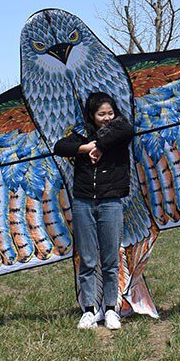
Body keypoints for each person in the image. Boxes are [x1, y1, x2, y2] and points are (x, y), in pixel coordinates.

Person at [54, 92, 134, 331]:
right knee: (88, 259)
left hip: (111, 202)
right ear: (91, 115)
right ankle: (89, 309)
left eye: (110, 113)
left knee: (111, 259)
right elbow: (60, 147)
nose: (107, 118)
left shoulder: (120, 130)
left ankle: (111, 309)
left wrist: (99, 145)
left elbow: (126, 130)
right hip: (83, 202)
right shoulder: (80, 134)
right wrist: (85, 147)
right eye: (101, 114)